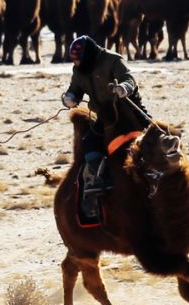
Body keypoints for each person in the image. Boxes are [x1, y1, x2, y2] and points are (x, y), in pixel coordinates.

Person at [61, 35, 147, 219]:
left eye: (77, 59)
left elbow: (129, 78)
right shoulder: (79, 69)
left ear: (88, 55)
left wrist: (124, 88)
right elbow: (75, 88)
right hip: (105, 116)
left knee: (157, 135)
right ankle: (99, 180)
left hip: (129, 109)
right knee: (89, 142)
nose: (75, 62)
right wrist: (69, 97)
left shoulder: (113, 59)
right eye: (73, 60)